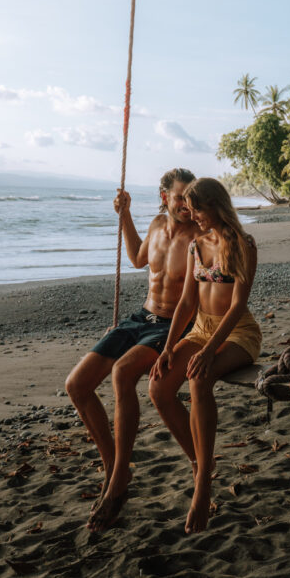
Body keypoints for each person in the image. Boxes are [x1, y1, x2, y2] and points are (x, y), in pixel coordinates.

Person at [65, 167, 197, 533]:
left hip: (174, 324)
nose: (187, 204)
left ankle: (119, 478)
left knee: (123, 373)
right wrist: (124, 216)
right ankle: (115, 472)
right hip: (141, 318)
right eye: (180, 196)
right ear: (164, 197)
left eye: (191, 197)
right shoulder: (156, 226)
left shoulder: (200, 235)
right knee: (77, 385)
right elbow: (139, 260)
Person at [149, 177, 261, 534]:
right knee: (159, 388)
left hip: (236, 333)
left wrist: (211, 351)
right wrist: (168, 346)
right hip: (199, 330)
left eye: (197, 208)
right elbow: (186, 303)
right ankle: (199, 462)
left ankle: (203, 486)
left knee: (199, 381)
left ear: (216, 206)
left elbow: (238, 305)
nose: (192, 214)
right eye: (189, 208)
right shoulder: (196, 246)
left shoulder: (242, 244)